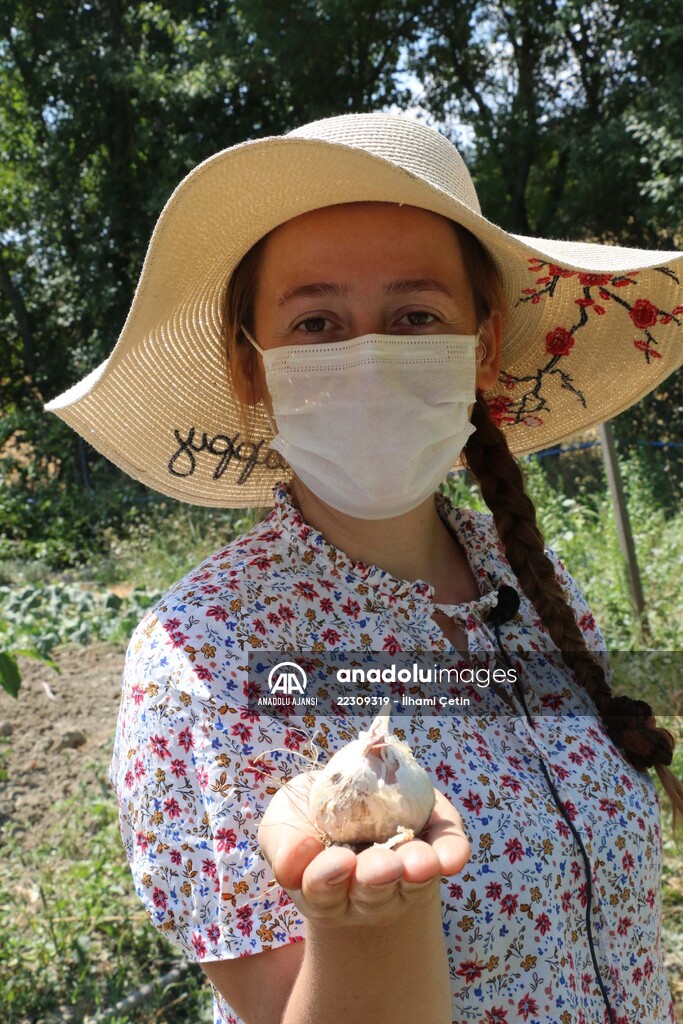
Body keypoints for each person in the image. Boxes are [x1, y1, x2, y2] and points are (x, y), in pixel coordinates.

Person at [45, 113, 683, 1024]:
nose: (369, 356)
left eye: (415, 315)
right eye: (315, 321)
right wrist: (363, 922)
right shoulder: (210, 656)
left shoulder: (531, 587)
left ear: (482, 347)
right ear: (250, 369)